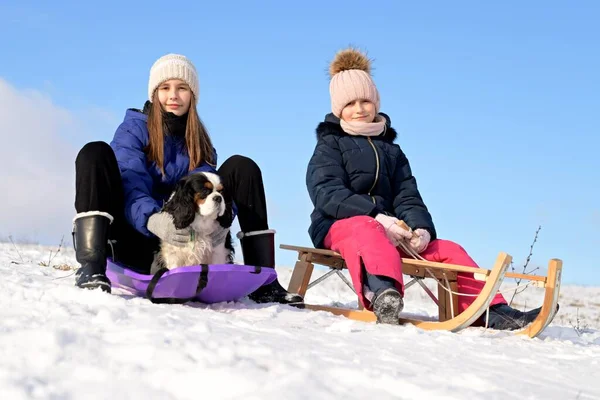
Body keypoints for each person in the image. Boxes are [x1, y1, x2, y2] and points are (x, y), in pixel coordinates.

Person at [305, 47, 543, 328]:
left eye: (365, 101)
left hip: (392, 231)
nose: (359, 109)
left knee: (449, 249)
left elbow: (408, 195)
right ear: (338, 108)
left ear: (376, 103)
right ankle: (383, 294)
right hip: (339, 227)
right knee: (368, 229)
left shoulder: (392, 151)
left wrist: (421, 230)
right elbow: (326, 192)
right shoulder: (330, 145)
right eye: (350, 103)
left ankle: (493, 310)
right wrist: (377, 217)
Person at [72, 53, 302, 305]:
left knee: (242, 166)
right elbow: (131, 182)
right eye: (165, 88)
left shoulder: (199, 141)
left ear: (192, 95)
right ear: (154, 93)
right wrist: (154, 219)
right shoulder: (133, 129)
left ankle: (264, 283)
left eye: (182, 88)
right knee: (94, 152)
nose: (173, 95)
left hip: (189, 242)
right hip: (137, 237)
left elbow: (207, 193)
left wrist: (222, 223)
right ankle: (91, 267)